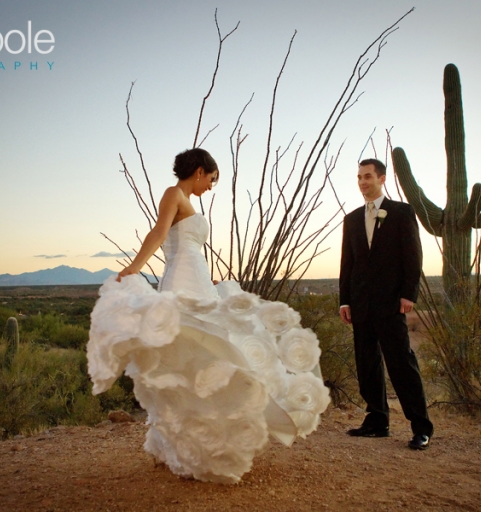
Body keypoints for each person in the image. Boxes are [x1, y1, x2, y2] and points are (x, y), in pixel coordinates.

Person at [87, 148, 330, 483]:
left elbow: (189, 248)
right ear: (200, 171)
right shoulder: (174, 193)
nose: (212, 187)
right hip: (181, 281)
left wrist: (209, 279)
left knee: (210, 349)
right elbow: (159, 233)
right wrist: (134, 268)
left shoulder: (186, 199)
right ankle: (186, 441)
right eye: (212, 179)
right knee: (189, 353)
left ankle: (204, 437)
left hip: (197, 277)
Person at [338, 158, 433, 450]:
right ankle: (377, 421)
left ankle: (421, 427)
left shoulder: (402, 212)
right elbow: (348, 263)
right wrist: (345, 300)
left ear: (382, 179)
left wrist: (409, 294)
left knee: (401, 364)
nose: (362, 182)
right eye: (359, 177)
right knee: (367, 364)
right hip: (361, 304)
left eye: (367, 176)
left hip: (391, 302)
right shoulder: (351, 219)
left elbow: (412, 255)